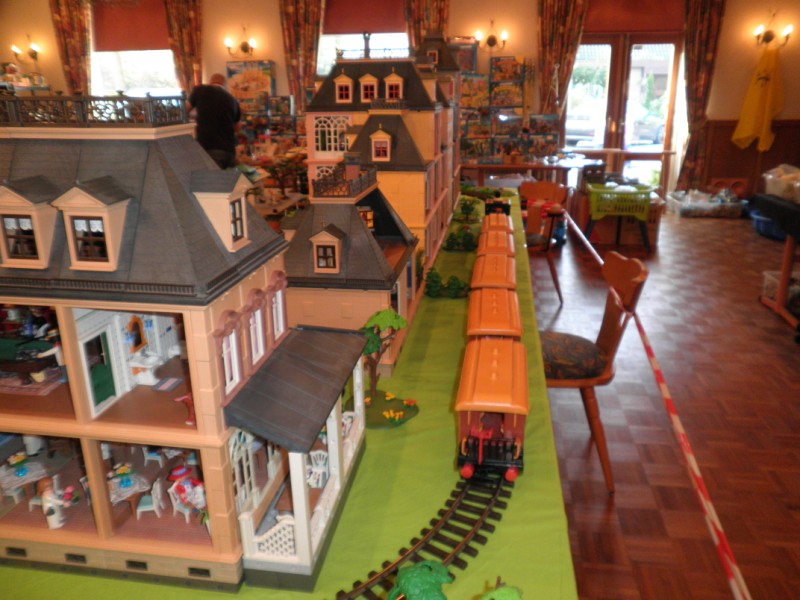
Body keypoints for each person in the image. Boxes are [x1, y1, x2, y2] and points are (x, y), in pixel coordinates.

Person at [187, 73, 241, 169]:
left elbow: (185, 110)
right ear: (224, 85)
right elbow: (237, 128)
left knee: (211, 178)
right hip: (229, 151)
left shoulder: (200, 90)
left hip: (209, 148)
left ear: (210, 82)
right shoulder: (233, 100)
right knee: (228, 179)